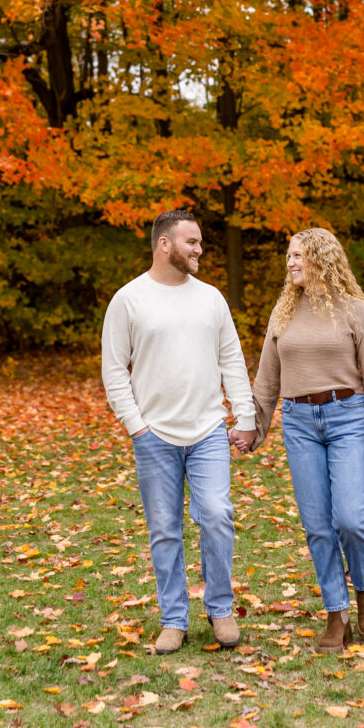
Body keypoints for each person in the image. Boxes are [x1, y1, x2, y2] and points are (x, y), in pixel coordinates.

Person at [101, 209, 258, 655]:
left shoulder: (211, 299)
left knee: (216, 514)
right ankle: (173, 619)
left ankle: (220, 609)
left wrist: (243, 415)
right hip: (155, 437)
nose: (200, 249)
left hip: (208, 428)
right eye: (192, 242)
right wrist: (137, 427)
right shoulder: (129, 299)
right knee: (165, 529)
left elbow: (231, 359)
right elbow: (114, 369)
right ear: (165, 244)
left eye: (201, 242)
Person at [240, 228, 364, 653]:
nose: (290, 262)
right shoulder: (283, 312)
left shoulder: (354, 310)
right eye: (288, 255)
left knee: (350, 517)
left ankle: (363, 590)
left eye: (298, 256)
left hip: (348, 419)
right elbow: (266, 380)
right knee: (317, 526)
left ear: (323, 259)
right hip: (299, 423)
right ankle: (336, 612)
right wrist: (252, 427)